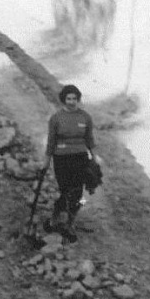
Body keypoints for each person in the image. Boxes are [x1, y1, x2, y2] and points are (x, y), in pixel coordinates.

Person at [44, 84, 96, 243]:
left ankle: (69, 224)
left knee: (79, 194)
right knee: (65, 191)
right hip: (61, 158)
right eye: (68, 98)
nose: (72, 102)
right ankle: (54, 218)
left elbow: (89, 139)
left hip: (80, 158)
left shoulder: (85, 117)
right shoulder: (56, 118)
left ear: (78, 99)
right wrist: (46, 160)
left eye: (74, 98)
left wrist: (94, 158)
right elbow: (51, 141)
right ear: (63, 100)